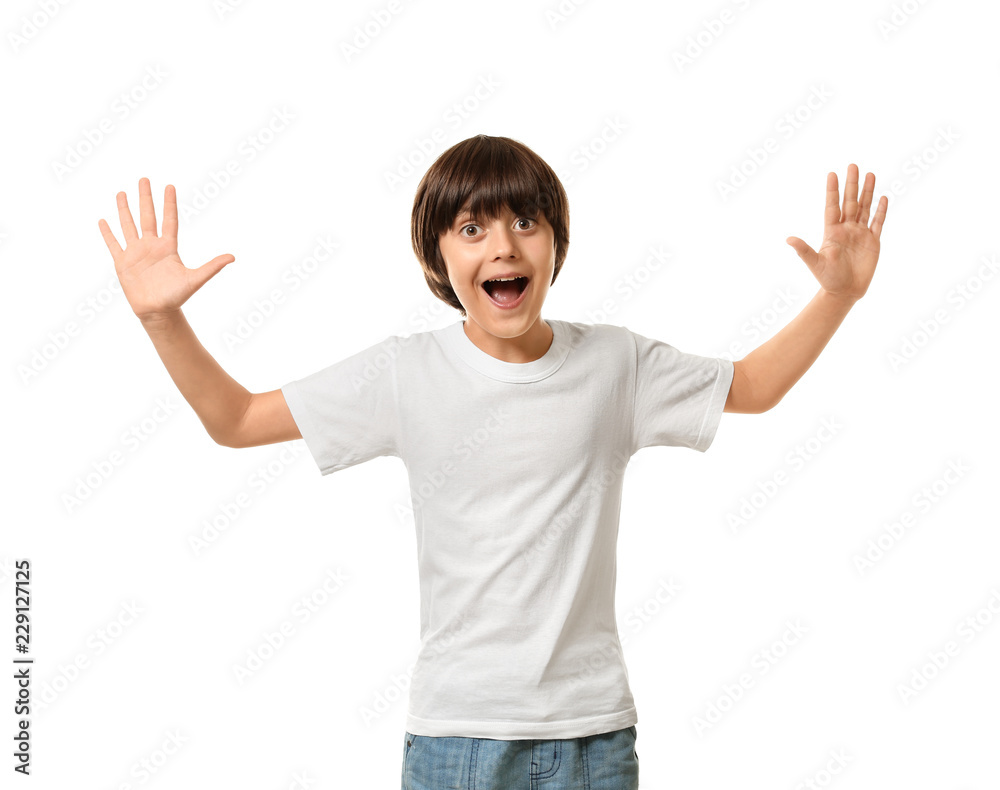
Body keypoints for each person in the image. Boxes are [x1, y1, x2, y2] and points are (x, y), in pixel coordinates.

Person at [98, 134, 888, 790]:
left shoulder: (617, 365)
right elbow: (234, 420)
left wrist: (838, 297)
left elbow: (751, 387)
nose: (503, 245)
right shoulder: (405, 374)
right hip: (457, 740)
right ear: (437, 257)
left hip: (591, 737)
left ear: (555, 245)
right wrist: (163, 320)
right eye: (471, 228)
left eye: (525, 222)